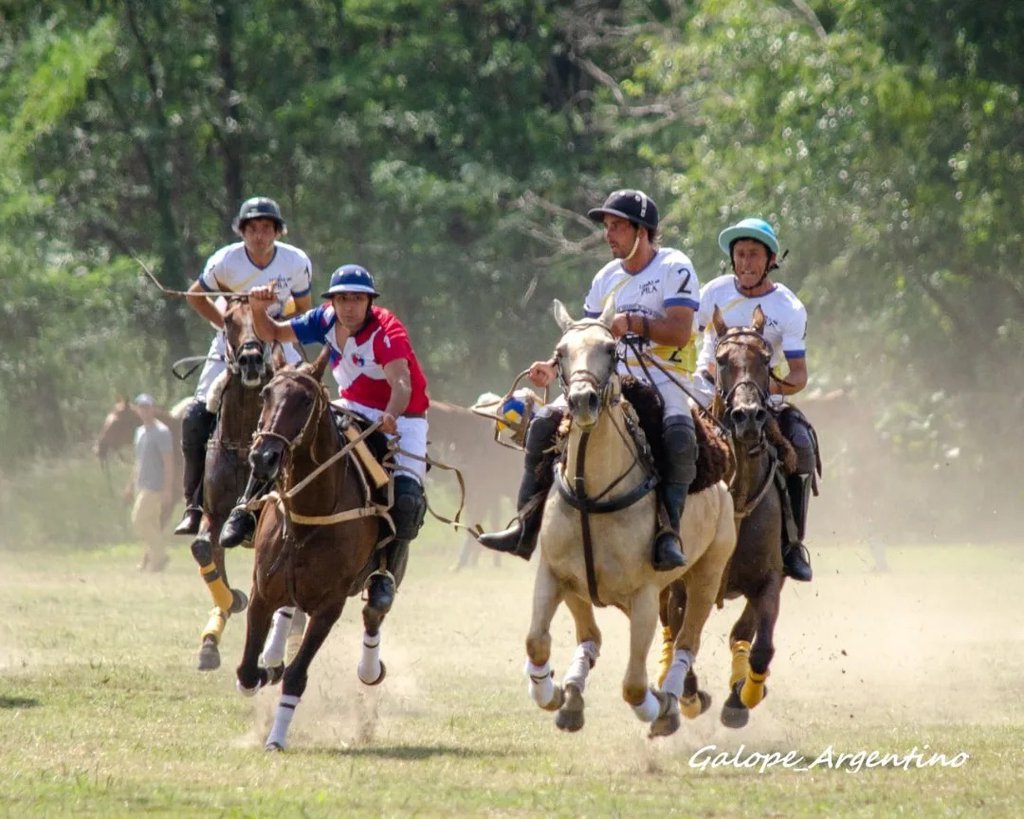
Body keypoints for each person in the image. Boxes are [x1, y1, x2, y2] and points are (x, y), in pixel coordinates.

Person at [479, 189, 700, 571]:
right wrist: (552, 365)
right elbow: (584, 336)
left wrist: (631, 323)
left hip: (665, 376)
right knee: (543, 423)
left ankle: (668, 531)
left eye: (617, 227)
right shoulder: (605, 278)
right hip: (605, 376)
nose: (608, 234)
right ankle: (525, 525)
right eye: (607, 227)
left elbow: (681, 331)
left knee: (679, 435)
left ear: (642, 231)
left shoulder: (674, 266)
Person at [239, 264, 430, 615]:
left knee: (406, 500)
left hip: (402, 417)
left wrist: (390, 413)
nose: (349, 306)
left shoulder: (387, 330)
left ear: (369, 301)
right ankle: (245, 511)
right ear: (333, 301)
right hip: (350, 405)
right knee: (282, 439)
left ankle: (384, 576)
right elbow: (274, 331)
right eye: (342, 298)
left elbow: (401, 382)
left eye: (357, 299)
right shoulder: (324, 319)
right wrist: (256, 307)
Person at [173, 196, 313, 535]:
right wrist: (229, 327)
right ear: (243, 232)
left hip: (277, 335)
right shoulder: (226, 260)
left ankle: (309, 490)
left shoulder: (295, 261)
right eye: (253, 229)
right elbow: (195, 296)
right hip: (233, 341)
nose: (260, 235)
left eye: (267, 228)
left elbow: (302, 306)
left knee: (308, 397)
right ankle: (194, 504)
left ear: (278, 231)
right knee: (195, 414)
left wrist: (272, 324)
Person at [694, 217, 815, 581]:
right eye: (740, 255)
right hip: (706, 393)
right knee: (672, 439)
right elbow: (686, 342)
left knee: (804, 446)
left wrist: (760, 389)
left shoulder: (788, 307)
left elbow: (798, 376)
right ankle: (664, 532)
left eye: (754, 255)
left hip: (763, 402)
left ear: (771, 259)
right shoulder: (711, 294)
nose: (746, 263)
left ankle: (792, 545)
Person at [125, 394, 175, 572]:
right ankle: (155, 561)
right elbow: (138, 461)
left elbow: (168, 461)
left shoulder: (161, 432)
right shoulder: (139, 432)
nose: (144, 411)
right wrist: (131, 484)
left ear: (153, 409)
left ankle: (160, 556)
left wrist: (167, 489)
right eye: (141, 407)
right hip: (141, 484)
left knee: (138, 520)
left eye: (147, 407)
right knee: (151, 524)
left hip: (155, 485)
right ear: (137, 410)